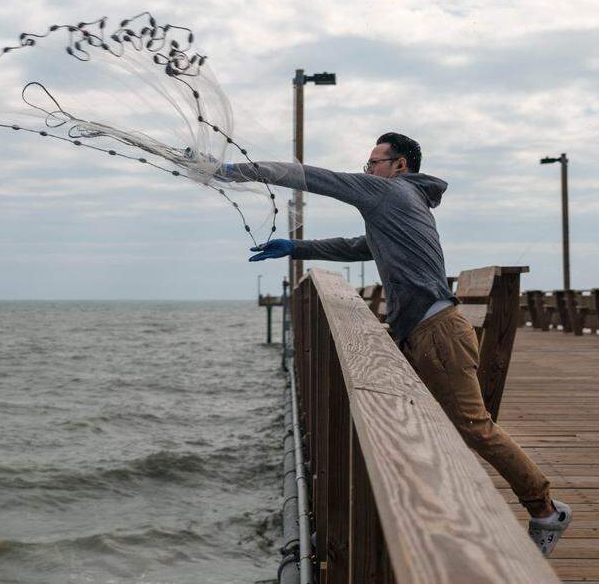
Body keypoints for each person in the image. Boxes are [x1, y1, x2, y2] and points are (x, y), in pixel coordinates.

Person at [222, 132, 572, 556]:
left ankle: (547, 510)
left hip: (438, 334)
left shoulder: (389, 194)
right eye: (367, 165)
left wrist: (230, 171)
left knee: (475, 429)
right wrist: (296, 246)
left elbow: (307, 176)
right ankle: (391, 521)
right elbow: (359, 246)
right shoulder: (404, 206)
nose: (367, 171)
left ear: (399, 165)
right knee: (404, 425)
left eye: (373, 163)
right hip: (424, 333)